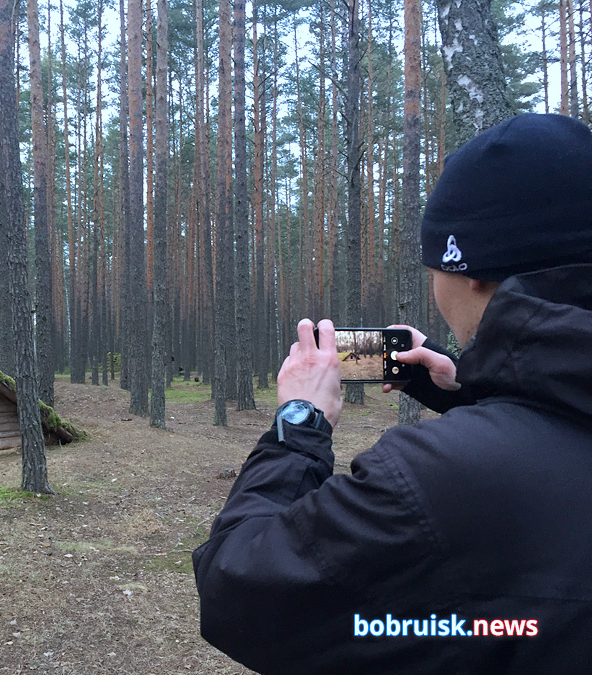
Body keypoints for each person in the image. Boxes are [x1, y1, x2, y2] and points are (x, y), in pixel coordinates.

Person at [192, 113, 592, 674]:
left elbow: (238, 589)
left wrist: (299, 421)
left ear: (469, 269)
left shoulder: (435, 480)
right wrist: (470, 387)